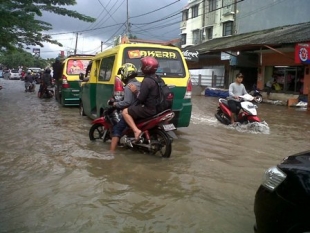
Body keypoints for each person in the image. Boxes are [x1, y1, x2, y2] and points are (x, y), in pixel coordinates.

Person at [122, 56, 160, 141]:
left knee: (125, 112)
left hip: (148, 109)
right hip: (157, 108)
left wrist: (135, 91)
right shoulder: (158, 78)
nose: (141, 67)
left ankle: (136, 131)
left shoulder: (146, 81)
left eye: (142, 65)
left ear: (146, 67)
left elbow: (140, 99)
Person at [109, 63, 141, 153]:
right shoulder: (140, 84)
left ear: (126, 74)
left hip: (132, 112)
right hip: (141, 111)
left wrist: (116, 104)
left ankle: (111, 152)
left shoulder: (128, 86)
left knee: (117, 129)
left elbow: (127, 102)